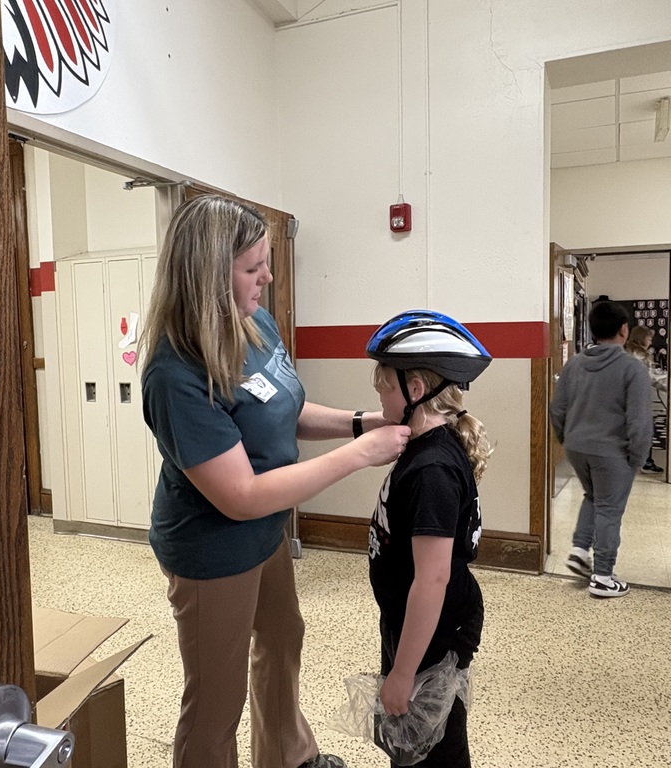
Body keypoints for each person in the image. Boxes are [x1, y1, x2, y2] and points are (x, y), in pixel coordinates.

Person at [139, 194, 411, 768]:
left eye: (266, 261)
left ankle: (287, 756)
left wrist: (363, 421)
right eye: (251, 267)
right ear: (207, 275)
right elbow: (240, 496)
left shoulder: (253, 319)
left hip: (264, 534)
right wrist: (360, 455)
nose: (267, 275)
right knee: (216, 703)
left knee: (283, 637)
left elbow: (285, 408)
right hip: (212, 548)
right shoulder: (174, 372)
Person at [365, 310, 492, 767]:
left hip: (433, 633)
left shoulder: (431, 471)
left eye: (383, 382)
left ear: (414, 390)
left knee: (437, 752)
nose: (377, 390)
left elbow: (431, 581)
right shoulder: (420, 448)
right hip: (414, 625)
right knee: (413, 743)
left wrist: (402, 673)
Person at [549, 301, 652, 598]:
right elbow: (639, 422)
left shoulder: (575, 364)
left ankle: (580, 550)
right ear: (624, 330)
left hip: (576, 447)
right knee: (610, 508)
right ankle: (604, 577)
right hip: (612, 452)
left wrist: (566, 440)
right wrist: (637, 458)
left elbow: (557, 409)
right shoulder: (632, 368)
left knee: (594, 497)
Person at [625, 324, 665, 474]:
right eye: (649, 338)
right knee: (646, 430)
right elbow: (647, 377)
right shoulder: (639, 355)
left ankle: (643, 460)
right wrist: (667, 387)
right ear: (642, 337)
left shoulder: (629, 351)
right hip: (636, 398)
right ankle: (645, 461)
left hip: (630, 398)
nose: (650, 341)